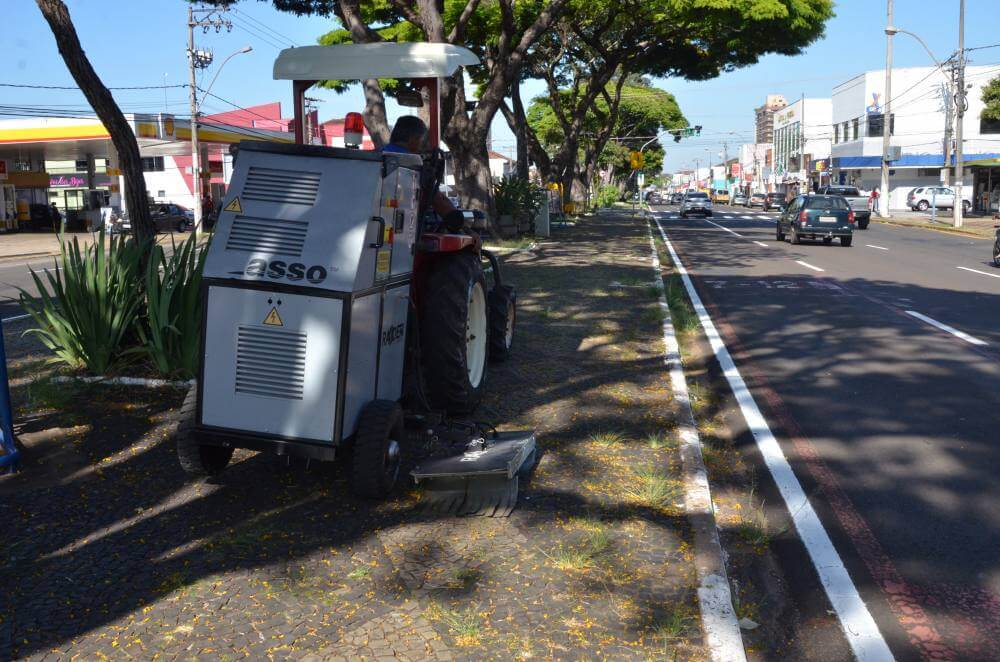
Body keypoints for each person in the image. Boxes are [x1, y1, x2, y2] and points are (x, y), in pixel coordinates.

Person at [383, 116, 466, 232]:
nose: (423, 146)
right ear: (413, 139)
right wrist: (464, 228)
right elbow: (439, 202)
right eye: (422, 140)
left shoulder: (375, 157)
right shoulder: (414, 165)